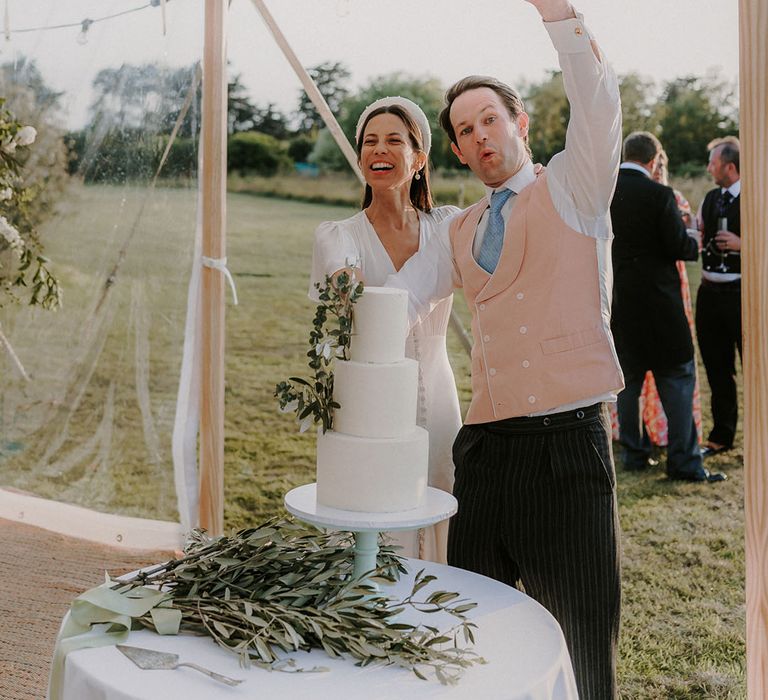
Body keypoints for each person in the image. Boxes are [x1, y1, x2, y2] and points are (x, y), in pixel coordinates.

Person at [387, 1, 623, 695]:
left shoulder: (576, 188)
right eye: (465, 130)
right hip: (485, 456)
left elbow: (599, 100)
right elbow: (401, 297)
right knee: (470, 646)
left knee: (582, 654)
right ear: (456, 150)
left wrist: (559, 15)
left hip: (566, 452)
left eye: (490, 119)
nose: (481, 136)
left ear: (520, 124)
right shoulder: (458, 230)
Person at [309, 96, 461, 564]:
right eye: (370, 141)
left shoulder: (449, 226)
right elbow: (353, 306)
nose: (380, 149)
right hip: (370, 407)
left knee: (441, 501)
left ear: (419, 158)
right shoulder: (338, 236)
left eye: (395, 140)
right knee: (374, 508)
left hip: (437, 396)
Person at [609, 132, 725, 482]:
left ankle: (634, 454)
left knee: (628, 387)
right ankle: (684, 463)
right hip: (662, 311)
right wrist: (691, 234)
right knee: (677, 380)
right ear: (653, 160)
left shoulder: (603, 195)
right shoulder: (661, 196)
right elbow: (682, 249)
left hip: (621, 308)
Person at [696, 136, 742, 457]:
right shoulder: (710, 198)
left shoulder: (757, 196)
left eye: (713, 162)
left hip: (743, 294)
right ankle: (722, 435)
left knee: (756, 366)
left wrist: (743, 245)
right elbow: (698, 232)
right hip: (709, 295)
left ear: (729, 166)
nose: (709, 167)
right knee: (716, 366)